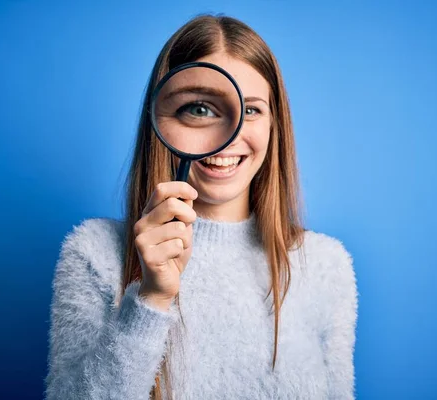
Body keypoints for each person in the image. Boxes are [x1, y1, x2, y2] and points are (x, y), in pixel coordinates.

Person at [44, 13, 358, 400]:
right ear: (158, 118)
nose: (227, 139)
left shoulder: (326, 265)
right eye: (199, 109)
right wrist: (151, 299)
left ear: (275, 125)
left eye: (250, 110)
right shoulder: (93, 252)